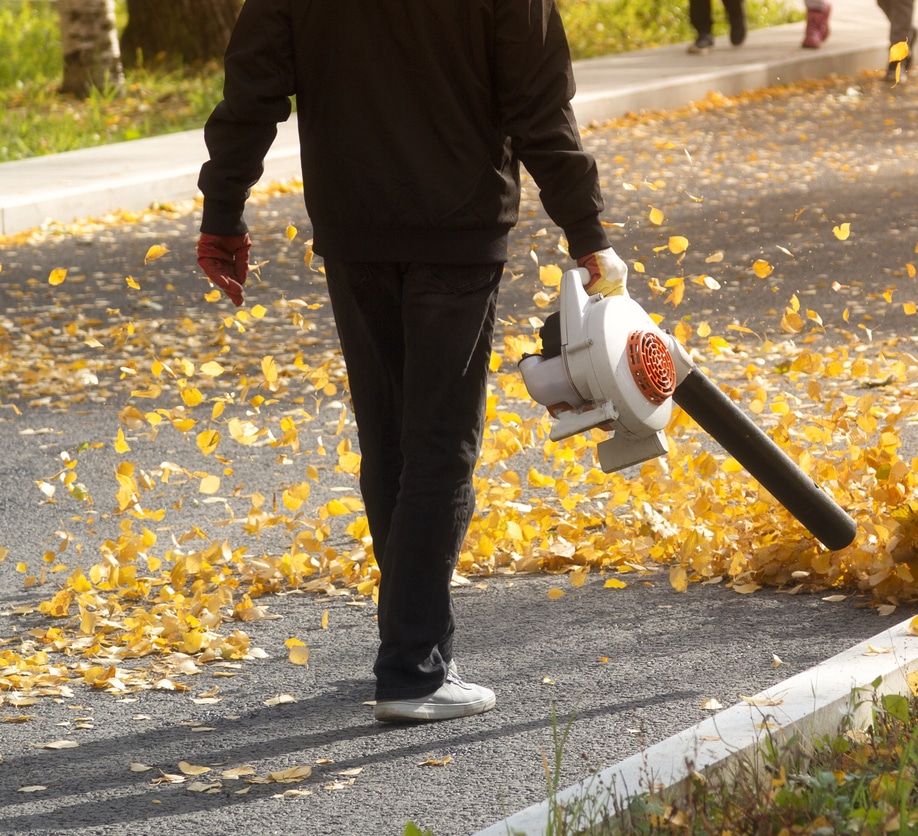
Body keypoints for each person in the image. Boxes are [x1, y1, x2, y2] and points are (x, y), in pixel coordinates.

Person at [195, 0, 628, 724]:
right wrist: (586, 230)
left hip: (354, 222)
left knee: (391, 435)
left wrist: (223, 212)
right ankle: (414, 666)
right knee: (440, 445)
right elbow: (539, 106)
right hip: (457, 226)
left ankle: (411, 642)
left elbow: (253, 88)